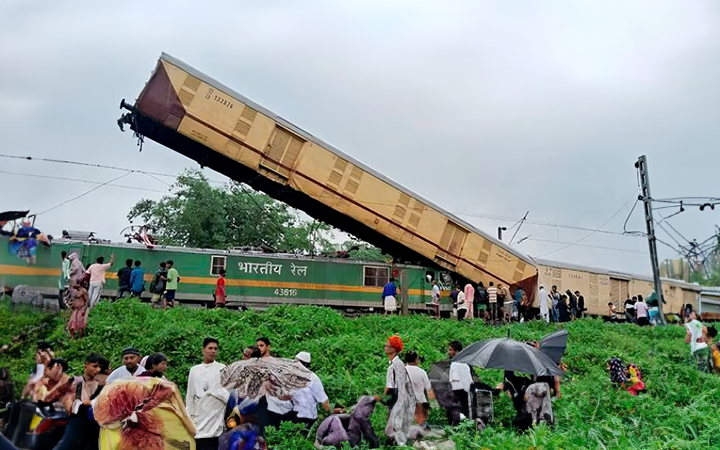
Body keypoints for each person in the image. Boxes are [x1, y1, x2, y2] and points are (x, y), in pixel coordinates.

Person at [53, 353, 105, 450]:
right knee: (66, 445)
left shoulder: (101, 385)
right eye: (94, 366)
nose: (97, 370)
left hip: (95, 424)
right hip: (77, 420)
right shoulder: (75, 381)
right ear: (85, 365)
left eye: (99, 367)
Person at [187, 337, 229, 450]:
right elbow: (190, 395)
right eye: (210, 348)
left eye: (215, 348)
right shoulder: (194, 370)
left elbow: (226, 393)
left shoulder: (222, 368)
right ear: (203, 350)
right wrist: (188, 417)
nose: (213, 351)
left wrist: (212, 395)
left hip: (215, 414)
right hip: (198, 415)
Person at [383, 335, 414, 447]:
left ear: (394, 349)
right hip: (399, 395)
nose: (385, 347)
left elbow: (391, 384)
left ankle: (396, 443)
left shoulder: (395, 365)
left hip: (396, 395)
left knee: (394, 420)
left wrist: (385, 395)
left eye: (387, 345)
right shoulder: (396, 363)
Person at [290, 352, 330, 428]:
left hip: (307, 417)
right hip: (294, 415)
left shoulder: (313, 379)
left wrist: (328, 417)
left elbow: (324, 399)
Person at [404, 351, 435, 428]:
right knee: (422, 423)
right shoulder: (421, 372)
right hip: (420, 402)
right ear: (416, 359)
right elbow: (428, 388)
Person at [448, 341, 473, 424]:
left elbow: (454, 380)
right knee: (465, 410)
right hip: (467, 390)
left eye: (452, 350)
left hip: (457, 391)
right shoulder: (466, 363)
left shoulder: (454, 364)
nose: (450, 352)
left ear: (457, 351)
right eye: (449, 350)